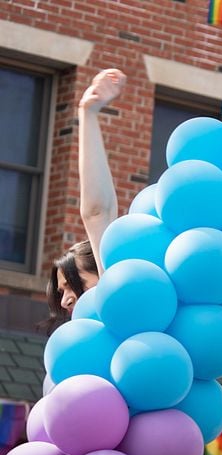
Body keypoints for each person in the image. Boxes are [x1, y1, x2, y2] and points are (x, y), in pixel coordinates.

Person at [43, 68, 125, 330]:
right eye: (61, 292)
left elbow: (97, 212)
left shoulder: (121, 305)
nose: (66, 300)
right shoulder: (71, 345)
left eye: (74, 283)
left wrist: (87, 112)